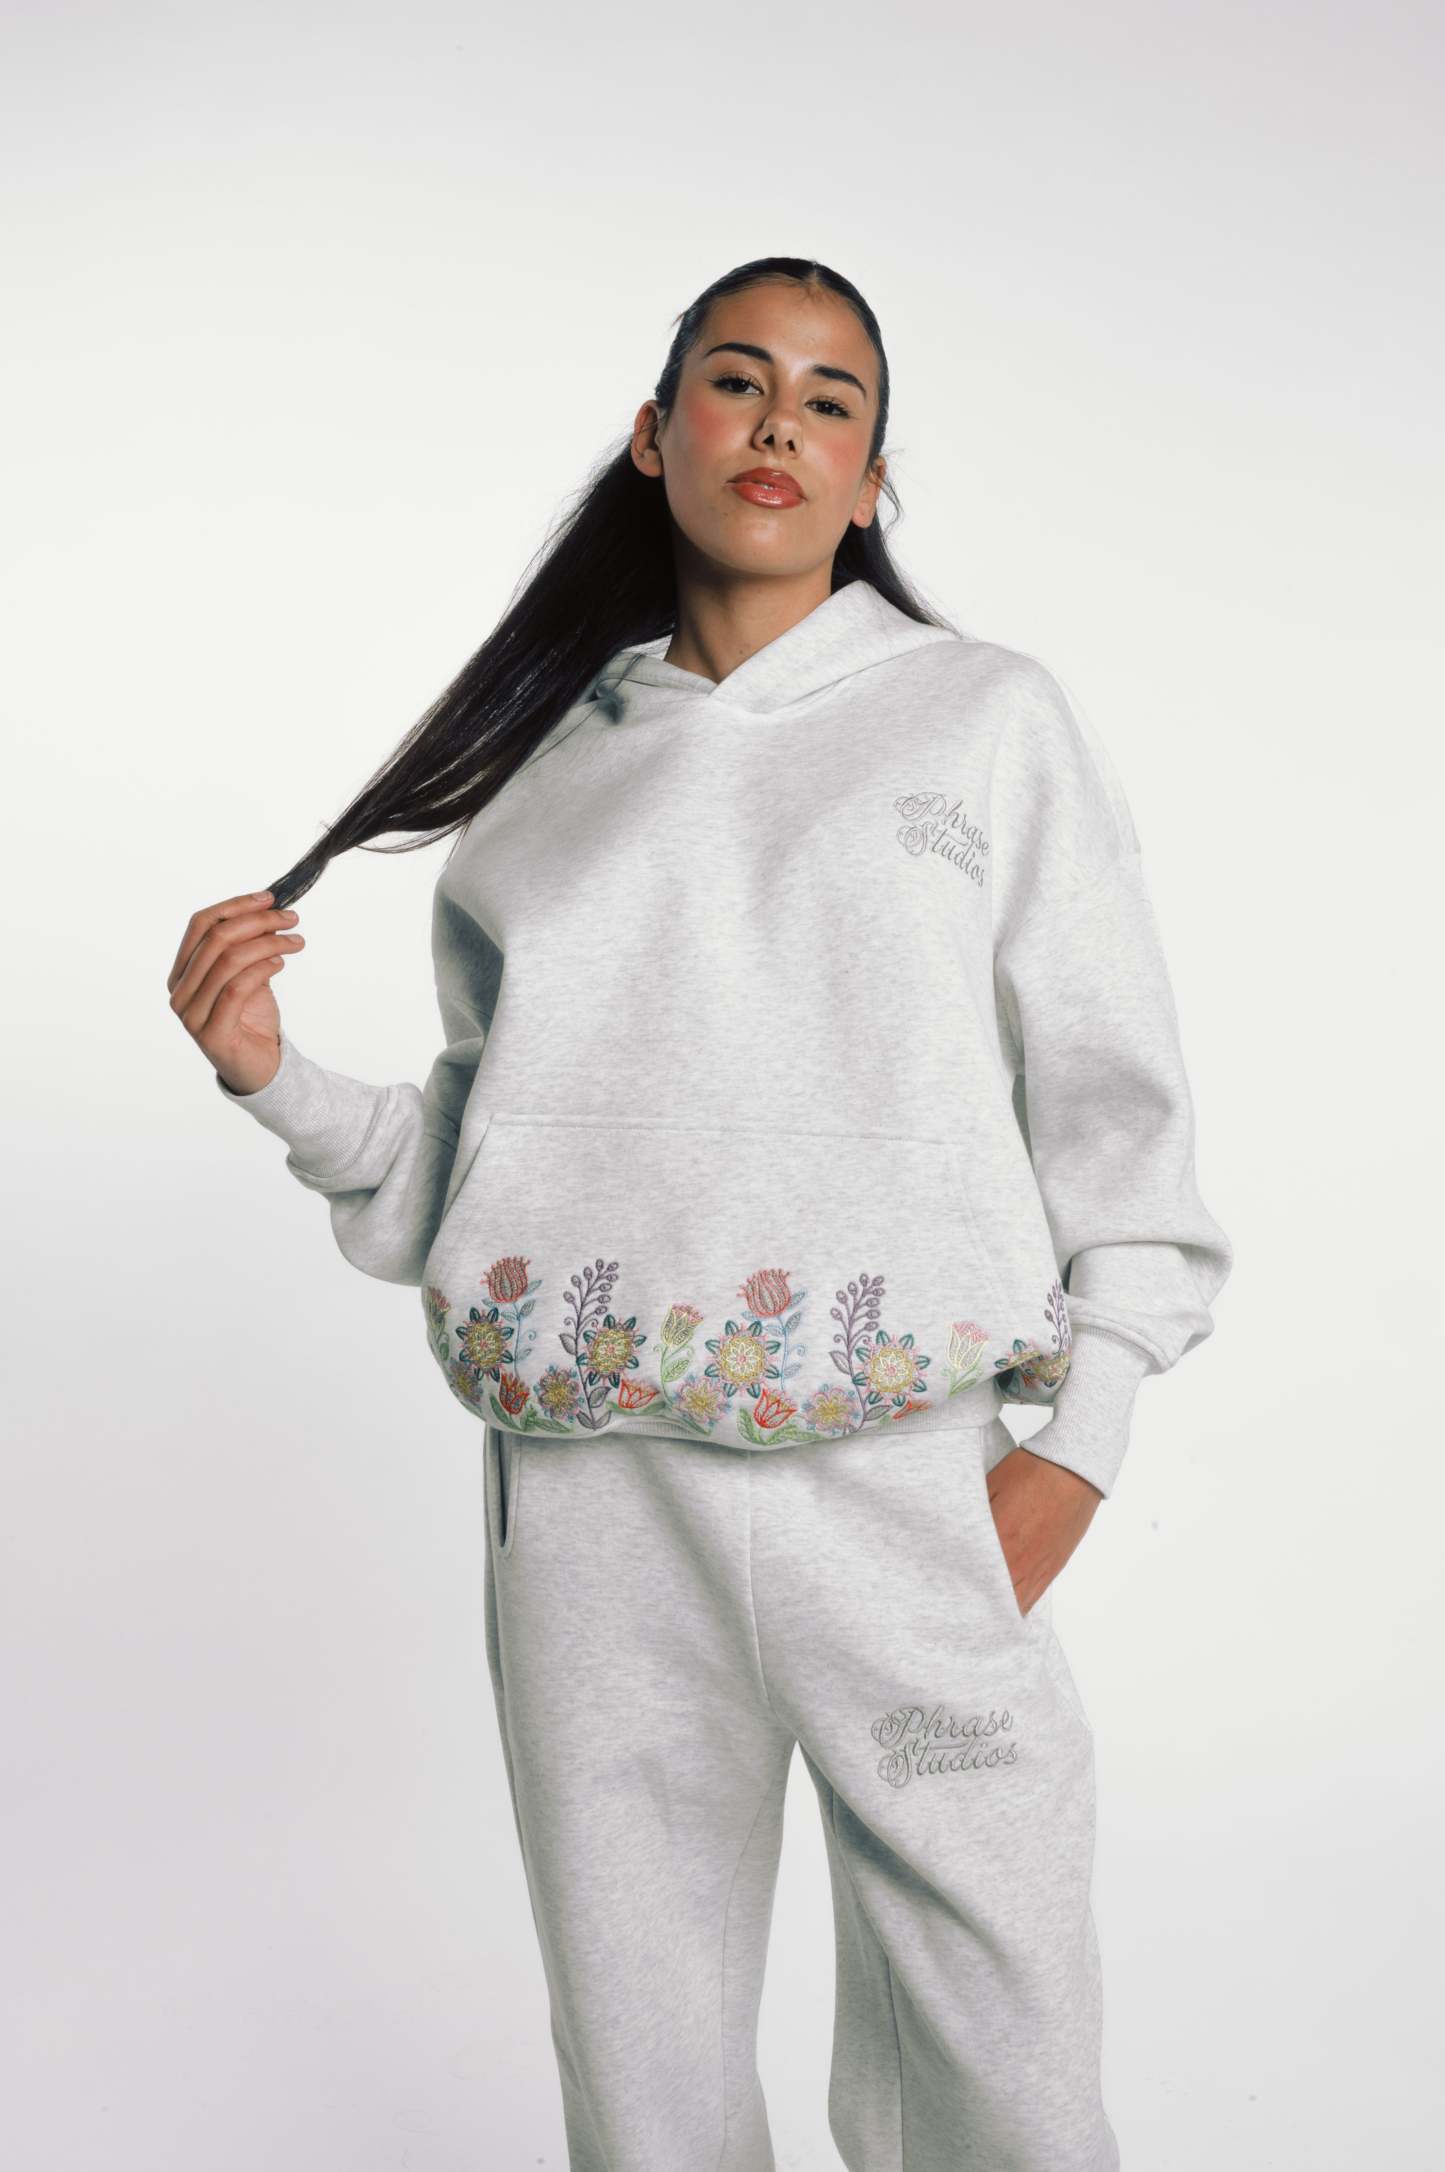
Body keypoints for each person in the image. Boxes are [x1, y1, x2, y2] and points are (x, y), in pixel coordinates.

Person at [169, 255, 1232, 2171]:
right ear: (658, 436)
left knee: (1002, 2059)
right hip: (590, 1510)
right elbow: (479, 1173)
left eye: (830, 402)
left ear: (871, 478)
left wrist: (1075, 1450)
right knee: (642, 2067)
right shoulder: (545, 775)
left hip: (901, 1485)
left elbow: (1114, 1105)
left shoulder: (982, 721)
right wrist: (276, 1080)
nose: (778, 426)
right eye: (738, 383)